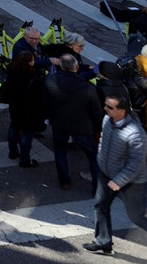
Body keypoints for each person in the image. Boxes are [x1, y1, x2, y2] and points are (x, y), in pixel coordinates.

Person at [83, 94, 147, 257]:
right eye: (105, 105)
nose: (105, 109)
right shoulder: (107, 120)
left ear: (122, 111)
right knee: (100, 206)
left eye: (109, 107)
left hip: (131, 183)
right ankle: (103, 242)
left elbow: (136, 163)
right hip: (106, 174)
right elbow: (102, 141)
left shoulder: (135, 133)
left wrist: (118, 181)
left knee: (137, 218)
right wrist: (100, 160)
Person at [43, 53, 101, 191]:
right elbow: (96, 111)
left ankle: (64, 181)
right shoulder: (87, 88)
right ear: (76, 67)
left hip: (59, 122)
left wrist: (48, 118)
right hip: (82, 125)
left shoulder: (50, 80)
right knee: (92, 155)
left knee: (60, 152)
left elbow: (45, 103)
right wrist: (97, 128)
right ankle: (97, 186)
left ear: (61, 66)